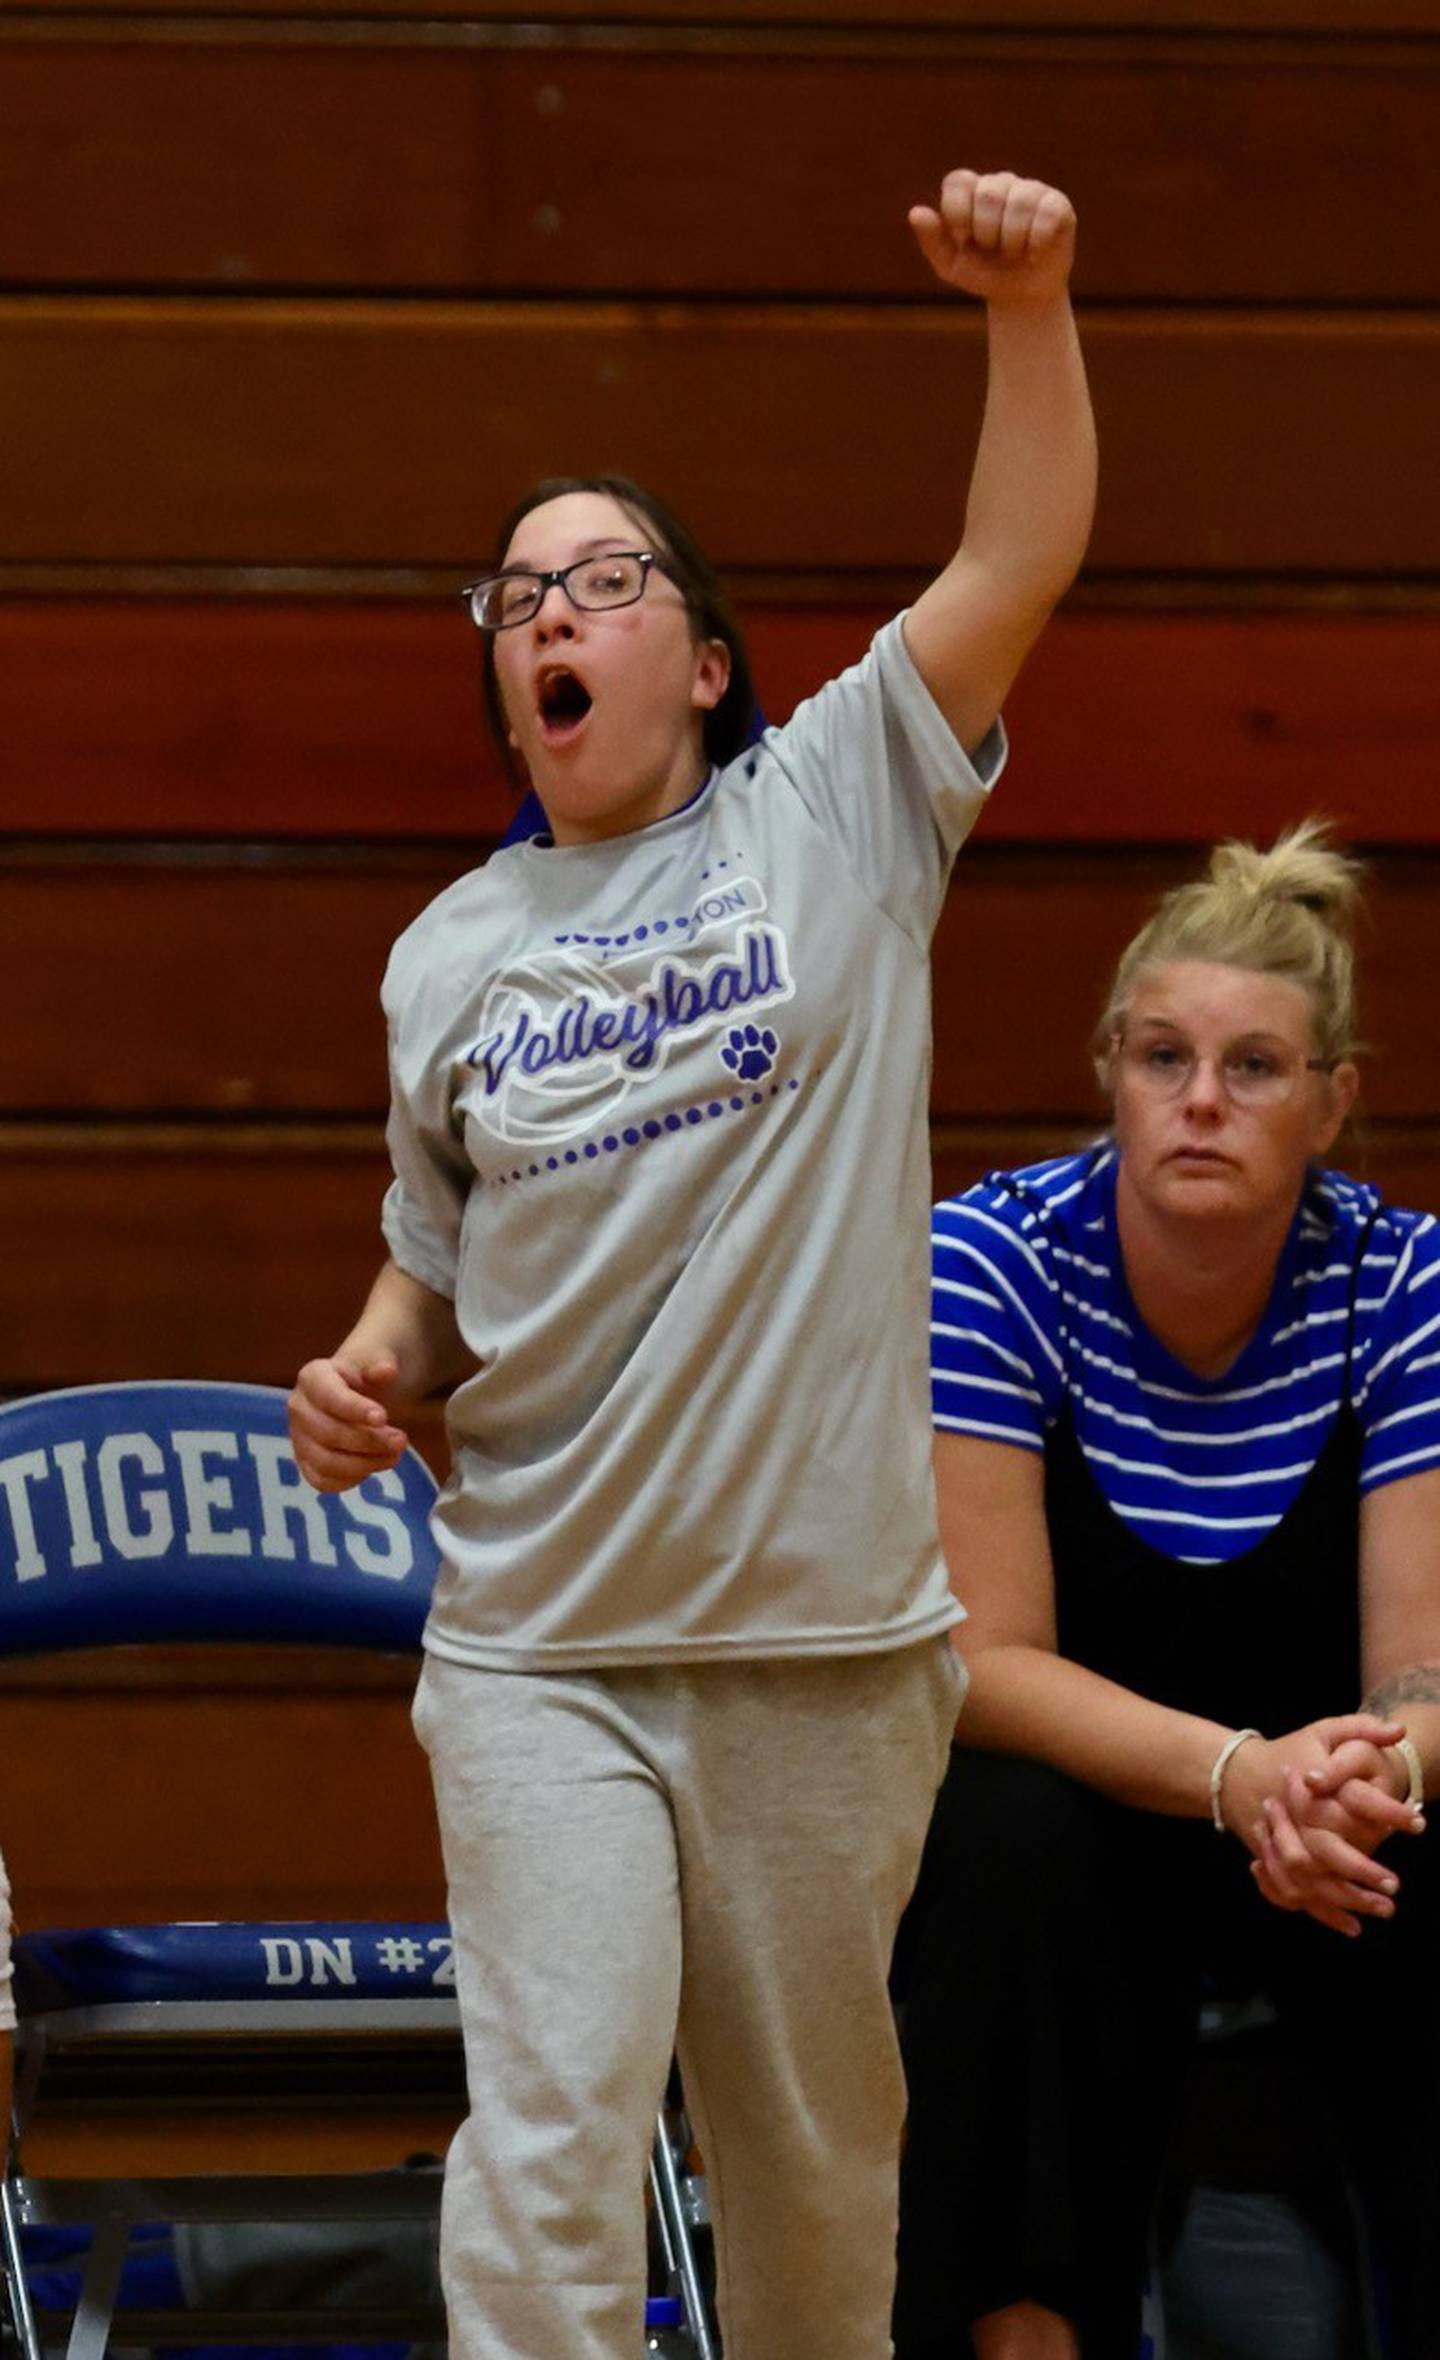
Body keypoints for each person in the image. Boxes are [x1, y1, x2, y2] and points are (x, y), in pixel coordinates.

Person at [287, 167, 1095, 2360]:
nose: (551, 608)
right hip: (545, 1640)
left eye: (605, 576)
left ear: (705, 658)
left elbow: (1017, 555)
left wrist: (1030, 302)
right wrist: (366, 1368)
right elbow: (429, 1271)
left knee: (816, 2180)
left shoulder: (833, 808)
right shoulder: (445, 954)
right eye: (518, 590)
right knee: (548, 2155)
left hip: (825, 1651)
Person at [892, 823, 1440, 2360]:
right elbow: (982, 1662)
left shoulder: (1406, 1287)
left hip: (1323, 1831)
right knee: (996, 1830)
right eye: (1163, 1058)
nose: (1200, 1102)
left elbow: (1425, 1674)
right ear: (1108, 1073)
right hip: (1099, 1818)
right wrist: (1235, 1777)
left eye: (1254, 1067)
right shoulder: (992, 1259)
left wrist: (1361, 1776)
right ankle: (1023, 2342)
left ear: (1332, 1103)